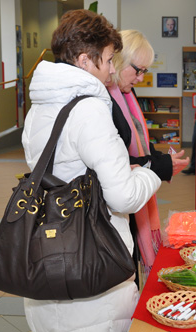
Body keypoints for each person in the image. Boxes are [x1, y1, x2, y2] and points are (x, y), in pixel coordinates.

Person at [21, 10, 161, 332]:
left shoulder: (39, 108)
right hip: (92, 274)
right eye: (110, 60)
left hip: (48, 260)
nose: (113, 70)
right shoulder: (91, 111)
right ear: (85, 61)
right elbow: (123, 197)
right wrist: (150, 172)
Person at [107, 29, 189, 283]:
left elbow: (139, 144)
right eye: (138, 70)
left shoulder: (126, 95)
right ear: (119, 61)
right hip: (117, 208)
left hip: (132, 202)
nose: (141, 78)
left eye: (145, 71)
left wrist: (163, 159)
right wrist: (162, 165)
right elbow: (118, 162)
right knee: (125, 273)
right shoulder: (105, 102)